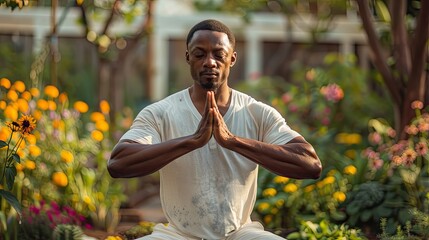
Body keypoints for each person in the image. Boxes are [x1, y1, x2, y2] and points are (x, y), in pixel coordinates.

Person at [108, 19, 322, 240]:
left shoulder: (256, 112)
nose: (210, 62)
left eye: (219, 54)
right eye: (200, 54)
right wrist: (190, 142)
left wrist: (233, 141)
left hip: (240, 233)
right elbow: (118, 163)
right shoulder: (161, 112)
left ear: (232, 58)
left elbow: (310, 164)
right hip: (178, 234)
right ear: (188, 57)